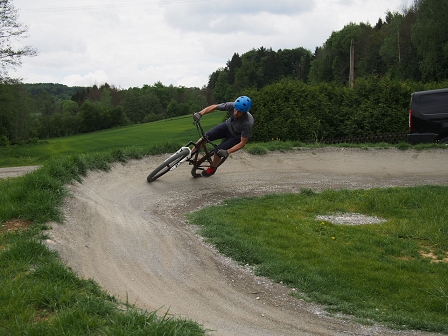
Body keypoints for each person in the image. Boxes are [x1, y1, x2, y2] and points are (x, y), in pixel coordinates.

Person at [193, 95, 253, 177]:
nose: (236, 113)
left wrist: (228, 151)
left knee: (218, 152)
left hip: (235, 137)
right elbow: (215, 107)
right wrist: (200, 113)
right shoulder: (232, 105)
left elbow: (242, 143)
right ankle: (190, 154)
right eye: (235, 109)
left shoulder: (247, 123)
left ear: (245, 112)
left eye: (239, 112)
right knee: (204, 138)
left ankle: (213, 168)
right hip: (227, 126)